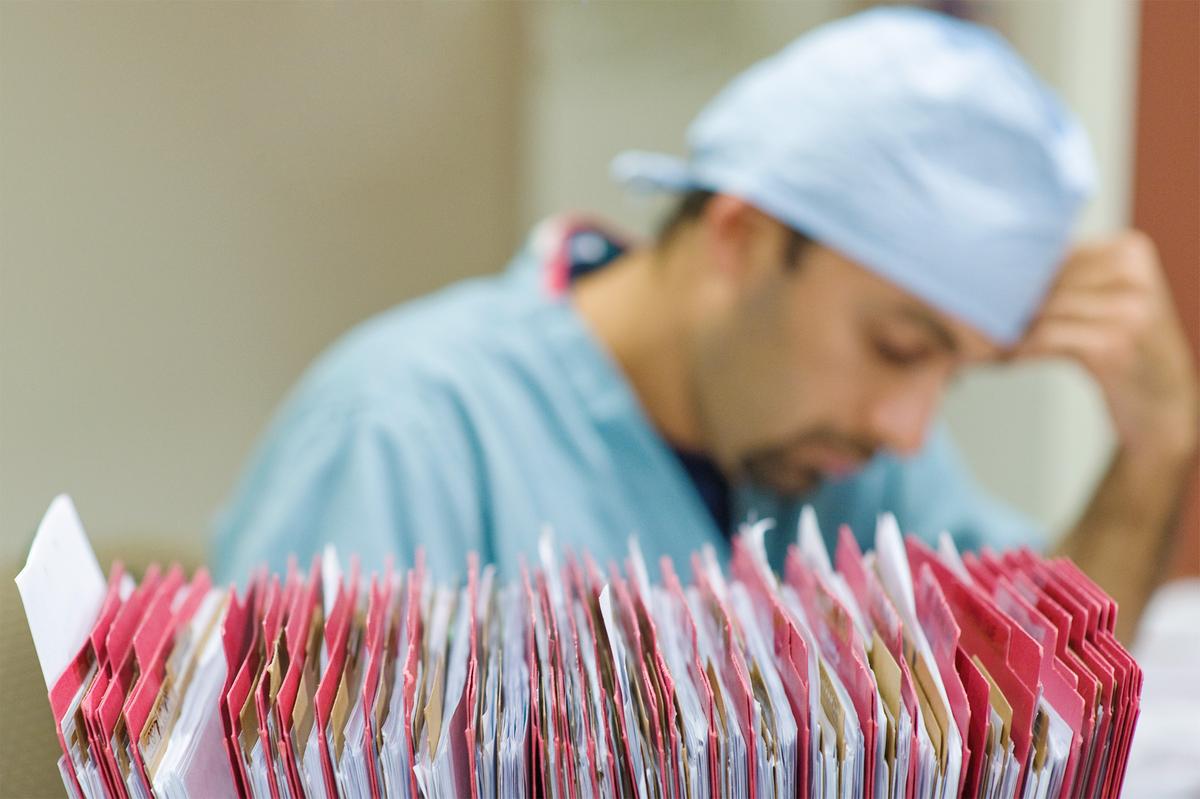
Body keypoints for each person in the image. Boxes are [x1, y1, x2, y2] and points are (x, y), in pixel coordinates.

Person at [211, 7, 1197, 638]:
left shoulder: (847, 463)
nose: (909, 424)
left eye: (953, 373)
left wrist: (1156, 451)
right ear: (742, 235)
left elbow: (1033, 708)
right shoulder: (409, 434)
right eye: (899, 346)